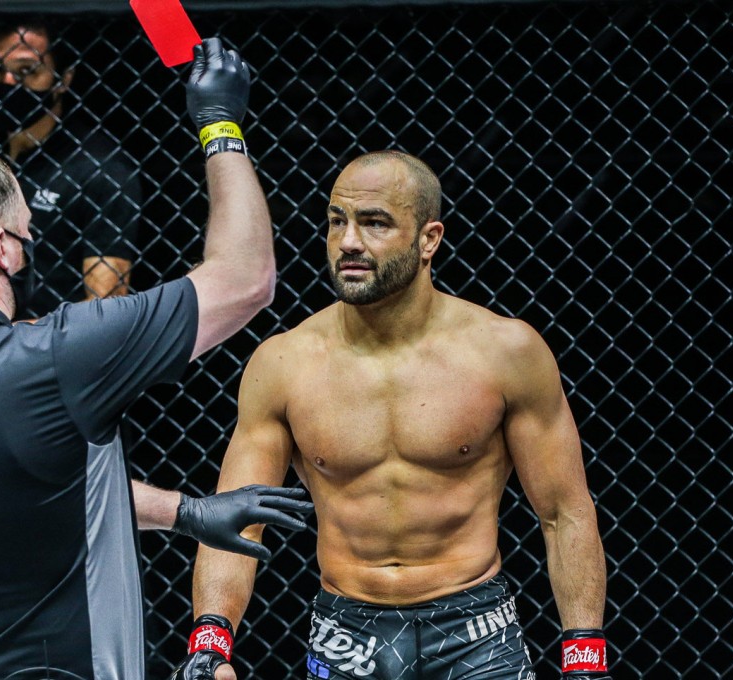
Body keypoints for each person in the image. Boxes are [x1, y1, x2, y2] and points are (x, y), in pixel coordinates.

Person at [0, 39, 313, 680]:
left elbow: (27, 490)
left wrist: (184, 512)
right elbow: (247, 279)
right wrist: (221, 125)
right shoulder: (48, 359)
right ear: (3, 249)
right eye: (27, 235)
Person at [173, 151, 611, 679]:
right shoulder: (284, 364)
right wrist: (210, 644)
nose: (349, 242)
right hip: (347, 630)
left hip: (476, 628)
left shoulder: (505, 352)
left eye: (375, 222)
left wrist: (585, 657)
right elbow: (237, 519)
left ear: (429, 239)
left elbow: (565, 512)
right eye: (338, 221)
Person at [0, 22, 138, 306]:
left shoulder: (100, 168)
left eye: (27, 70)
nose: (8, 82)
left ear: (63, 79)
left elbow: (105, 309)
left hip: (54, 342)